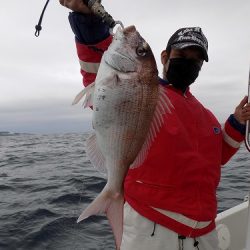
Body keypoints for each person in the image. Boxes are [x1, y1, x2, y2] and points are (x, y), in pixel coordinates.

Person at [59, 1, 250, 249]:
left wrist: (237, 121)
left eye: (197, 60)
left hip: (205, 233)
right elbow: (100, 76)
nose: (189, 63)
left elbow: (219, 155)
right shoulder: (145, 92)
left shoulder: (207, 116)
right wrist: (89, 22)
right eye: (182, 55)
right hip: (151, 227)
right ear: (164, 56)